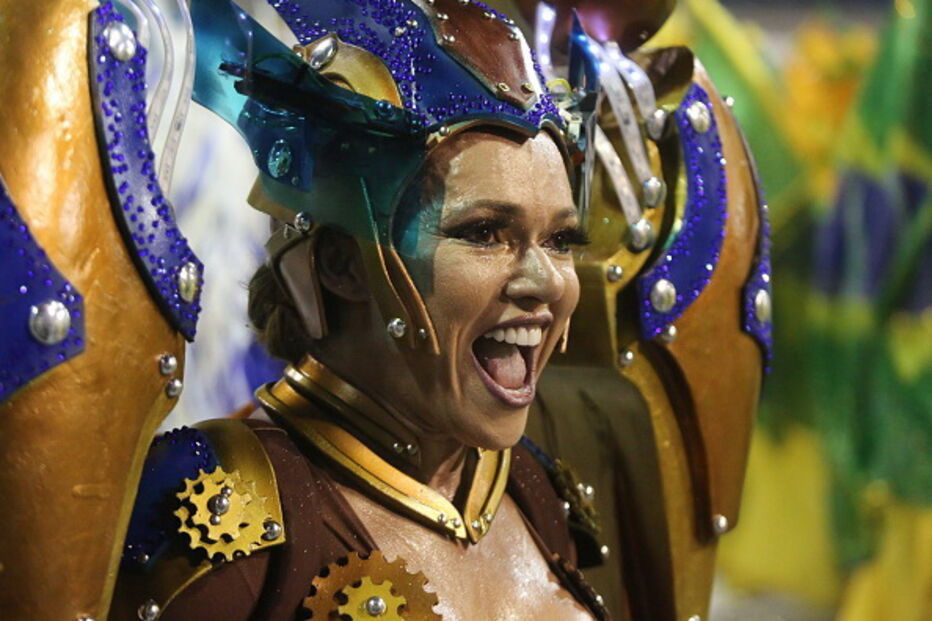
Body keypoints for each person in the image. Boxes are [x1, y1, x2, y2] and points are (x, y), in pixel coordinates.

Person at [110, 0, 609, 619]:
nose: (545, 282)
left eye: (562, 240)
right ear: (344, 263)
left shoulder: (530, 486)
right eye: (483, 232)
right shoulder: (211, 512)